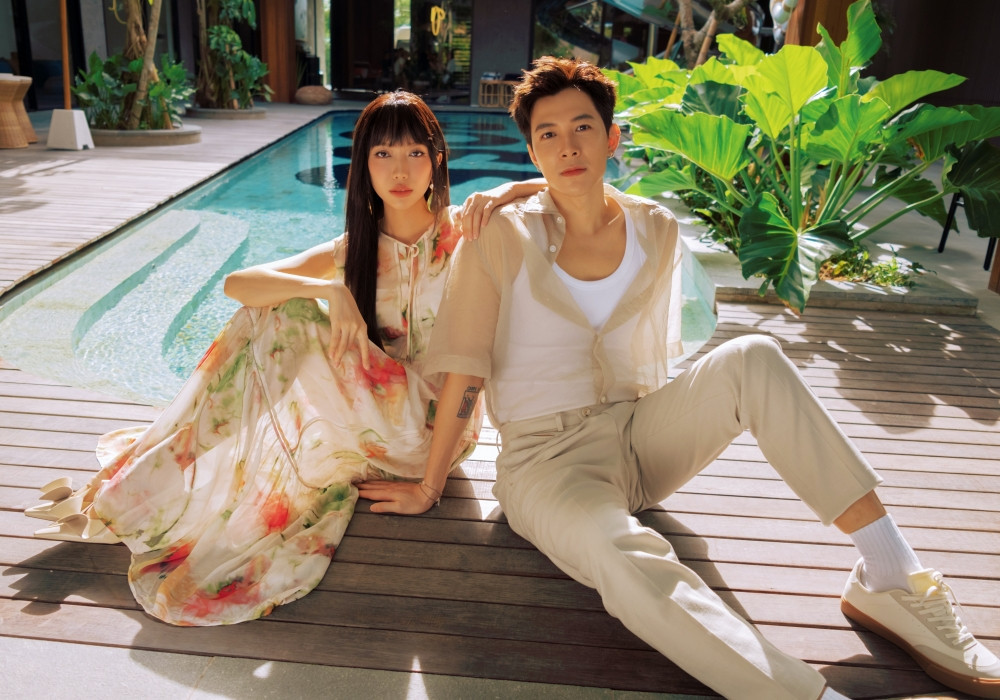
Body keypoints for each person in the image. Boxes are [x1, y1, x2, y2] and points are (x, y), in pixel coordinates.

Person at [361, 57, 1000, 699]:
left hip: (640, 435)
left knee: (754, 355)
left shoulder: (654, 227)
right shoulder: (498, 234)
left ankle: (890, 573)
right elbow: (466, 370)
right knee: (624, 558)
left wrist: (523, 186)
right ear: (532, 152)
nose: (567, 147)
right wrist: (430, 485)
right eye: (547, 135)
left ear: (613, 138)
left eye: (583, 128)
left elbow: (590, 203)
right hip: (545, 465)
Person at [24, 91, 541, 626]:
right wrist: (330, 290)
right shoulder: (356, 249)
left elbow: (573, 189)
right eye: (383, 154)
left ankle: (138, 487)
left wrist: (512, 188)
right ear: (363, 165)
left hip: (436, 436)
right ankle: (149, 479)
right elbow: (238, 284)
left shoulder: (469, 235)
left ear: (437, 160)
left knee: (291, 318)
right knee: (276, 308)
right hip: (379, 424)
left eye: (415, 153)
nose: (400, 170)